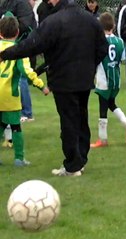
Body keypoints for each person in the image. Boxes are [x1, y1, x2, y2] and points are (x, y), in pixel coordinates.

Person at [0, 0, 108, 176]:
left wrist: (5, 54)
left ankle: (72, 165)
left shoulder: (54, 21)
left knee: (69, 121)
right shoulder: (90, 19)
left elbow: (32, 44)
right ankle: (80, 160)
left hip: (63, 79)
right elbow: (102, 47)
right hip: (84, 78)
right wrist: (89, 65)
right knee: (81, 118)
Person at [0, 16, 49, 166]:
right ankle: (19, 159)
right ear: (17, 32)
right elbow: (27, 71)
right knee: (15, 127)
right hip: (10, 95)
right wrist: (42, 85)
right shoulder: (19, 51)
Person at [90, 12, 126, 148]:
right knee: (111, 104)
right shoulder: (120, 41)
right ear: (114, 25)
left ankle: (102, 139)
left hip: (103, 79)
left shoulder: (98, 41)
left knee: (103, 109)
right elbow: (122, 60)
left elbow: (95, 59)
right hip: (115, 78)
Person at [0, 0, 37, 123]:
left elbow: (27, 25)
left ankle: (27, 112)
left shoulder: (22, 4)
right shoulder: (5, 4)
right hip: (6, 44)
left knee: (21, 76)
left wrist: (10, 29)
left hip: (21, 45)